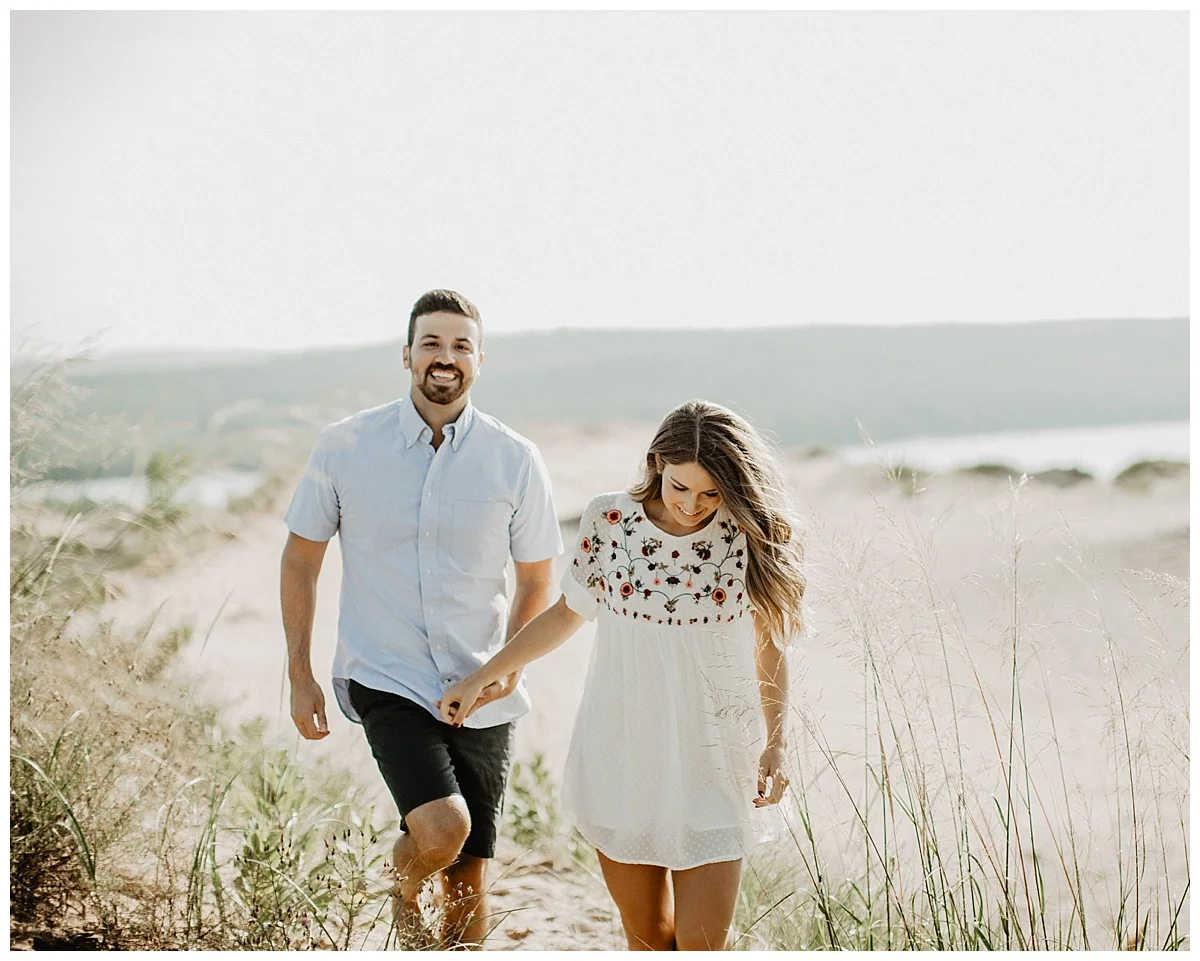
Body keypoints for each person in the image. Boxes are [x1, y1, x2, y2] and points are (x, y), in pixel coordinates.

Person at [439, 399, 805, 950]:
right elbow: (566, 614)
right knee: (648, 942)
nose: (693, 506)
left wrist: (777, 742)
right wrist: (483, 677)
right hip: (623, 751)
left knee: (703, 947)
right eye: (682, 487)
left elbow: (770, 645)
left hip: (714, 760)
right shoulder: (610, 520)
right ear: (658, 461)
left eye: (711, 493)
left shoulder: (748, 532)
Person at [280, 289, 562, 947]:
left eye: (461, 344)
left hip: (484, 682)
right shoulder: (346, 446)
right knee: (440, 829)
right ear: (407, 354)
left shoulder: (515, 458)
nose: (446, 356)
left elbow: (537, 579)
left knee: (468, 886)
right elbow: (300, 560)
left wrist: (506, 669)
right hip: (388, 675)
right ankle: (398, 877)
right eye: (432, 342)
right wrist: (300, 672)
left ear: (480, 360)